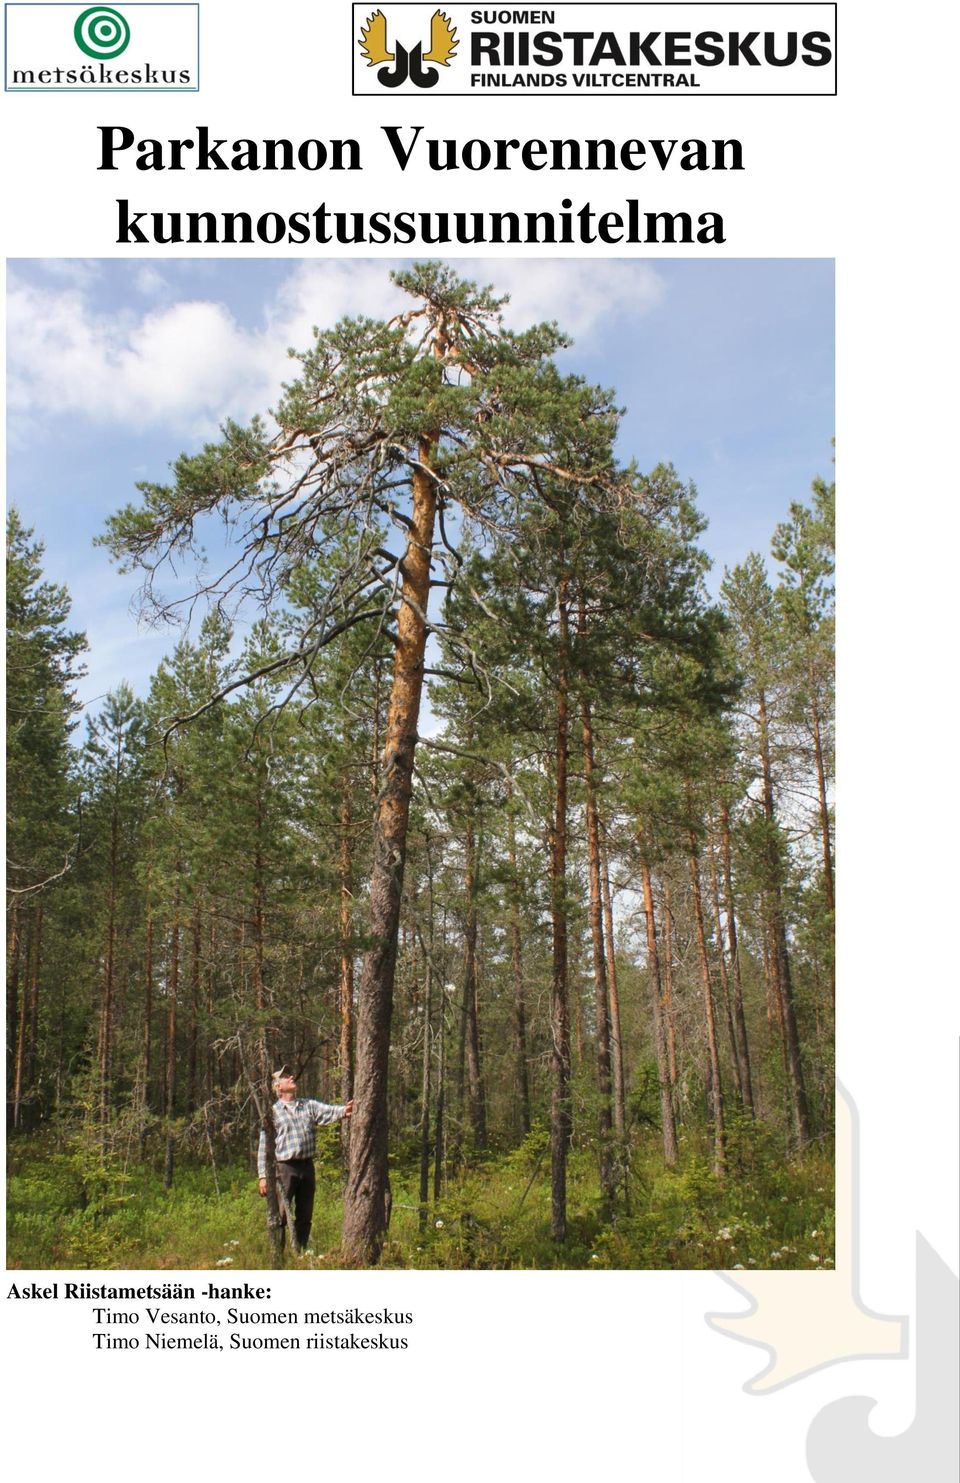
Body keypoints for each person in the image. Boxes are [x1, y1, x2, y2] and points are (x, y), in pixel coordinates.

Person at [257, 1067, 353, 1252]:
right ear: (278, 1087)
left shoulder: (307, 1105)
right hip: (284, 1168)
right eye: (286, 1077)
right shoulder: (273, 1112)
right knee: (281, 1215)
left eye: (290, 1075)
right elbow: (264, 1146)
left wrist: (345, 1110)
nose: (292, 1077)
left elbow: (329, 1111)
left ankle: (300, 1253)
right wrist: (262, 1176)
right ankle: (278, 1255)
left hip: (307, 1167)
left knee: (305, 1215)